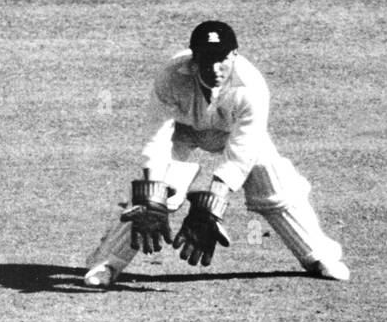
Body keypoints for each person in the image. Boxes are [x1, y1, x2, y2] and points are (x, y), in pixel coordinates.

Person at [83, 20, 349, 288]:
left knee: (271, 178)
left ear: (234, 54)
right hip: (182, 131)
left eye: (221, 59)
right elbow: (157, 138)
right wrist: (153, 189)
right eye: (206, 59)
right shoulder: (170, 76)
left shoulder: (252, 87)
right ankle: (106, 262)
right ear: (193, 59)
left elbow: (242, 152)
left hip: (230, 132)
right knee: (151, 195)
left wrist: (212, 205)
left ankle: (319, 256)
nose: (214, 68)